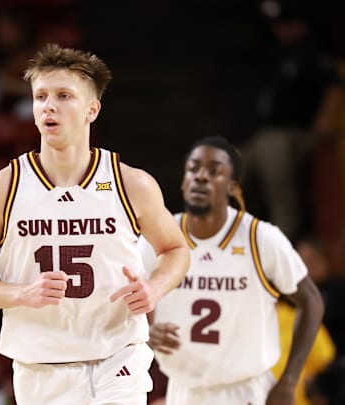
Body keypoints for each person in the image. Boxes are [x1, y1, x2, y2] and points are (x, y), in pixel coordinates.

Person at [0, 43, 191, 404]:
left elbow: (175, 251)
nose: (49, 105)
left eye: (64, 96)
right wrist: (21, 294)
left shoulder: (131, 184)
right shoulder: (2, 187)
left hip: (118, 357)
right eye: (41, 96)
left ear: (92, 109)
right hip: (40, 366)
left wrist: (154, 289)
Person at [143, 136, 324, 405]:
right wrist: (145, 330)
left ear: (232, 187)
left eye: (214, 171)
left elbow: (311, 300)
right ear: (183, 181)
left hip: (245, 391)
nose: (201, 177)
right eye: (193, 169)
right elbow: (123, 297)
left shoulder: (260, 238)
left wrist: (289, 380)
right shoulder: (159, 236)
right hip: (183, 390)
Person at [243, 0, 342, 240]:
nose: (279, 29)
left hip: (291, 134)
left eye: (284, 23)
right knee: (225, 170)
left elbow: (334, 86)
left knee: (280, 188)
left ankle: (284, 240)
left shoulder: (311, 53)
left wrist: (325, 120)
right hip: (264, 134)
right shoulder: (277, 52)